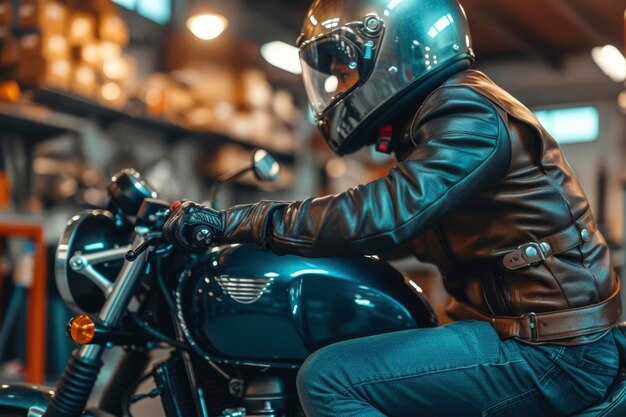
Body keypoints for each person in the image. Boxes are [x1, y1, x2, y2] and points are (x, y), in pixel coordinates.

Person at [163, 0, 623, 415]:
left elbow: (385, 214)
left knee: (329, 379)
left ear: (393, 50)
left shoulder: (468, 112)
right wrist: (296, 241)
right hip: (526, 333)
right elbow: (409, 232)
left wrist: (244, 222)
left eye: (345, 72)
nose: (340, 86)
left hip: (556, 352)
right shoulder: (442, 115)